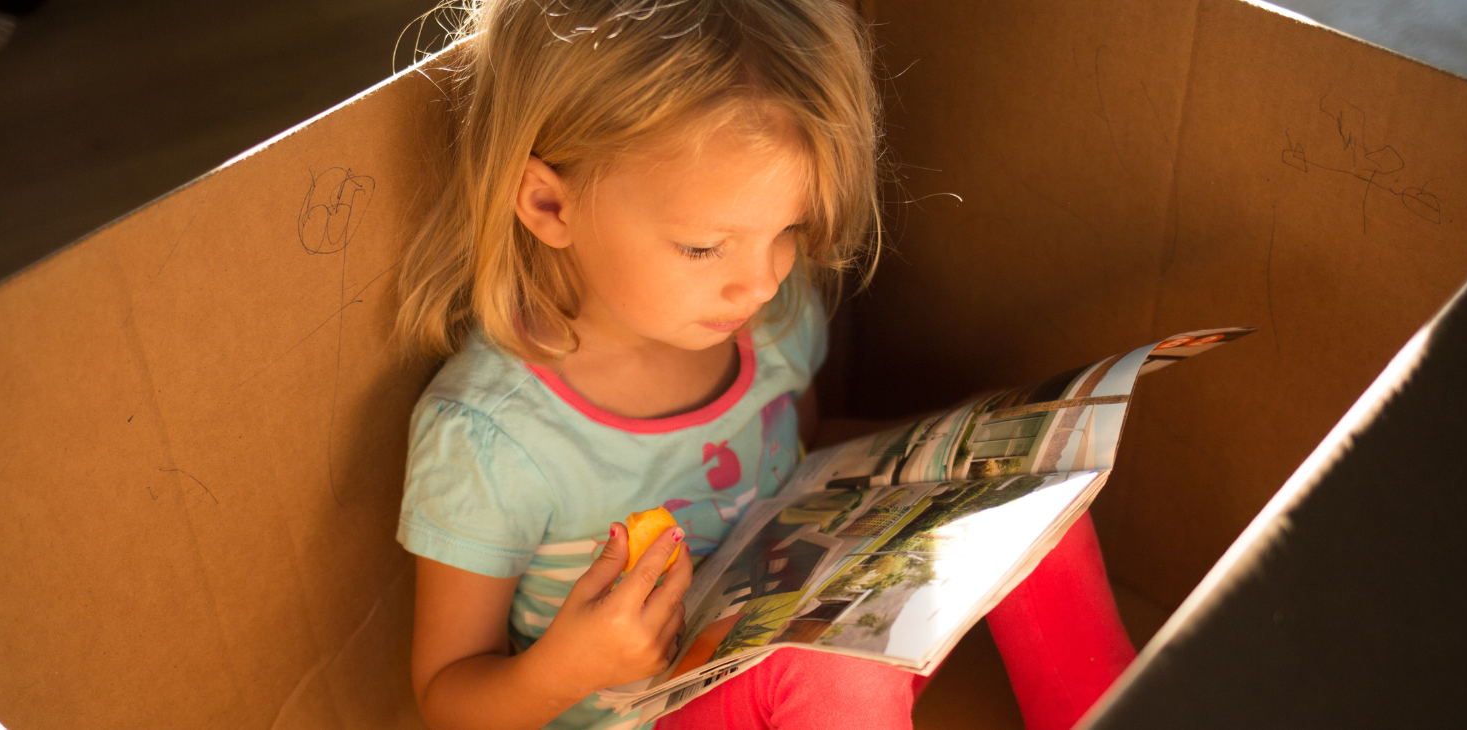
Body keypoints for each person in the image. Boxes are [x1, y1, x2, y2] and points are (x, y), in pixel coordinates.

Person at [393, 2, 1134, 729]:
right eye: (703, 246)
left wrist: (959, 461)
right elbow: (447, 696)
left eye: (787, 229)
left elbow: (801, 457)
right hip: (650, 714)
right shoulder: (491, 438)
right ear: (550, 204)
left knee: (1030, 498)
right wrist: (567, 667)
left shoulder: (768, 323)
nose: (763, 280)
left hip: (810, 656)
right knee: (828, 666)